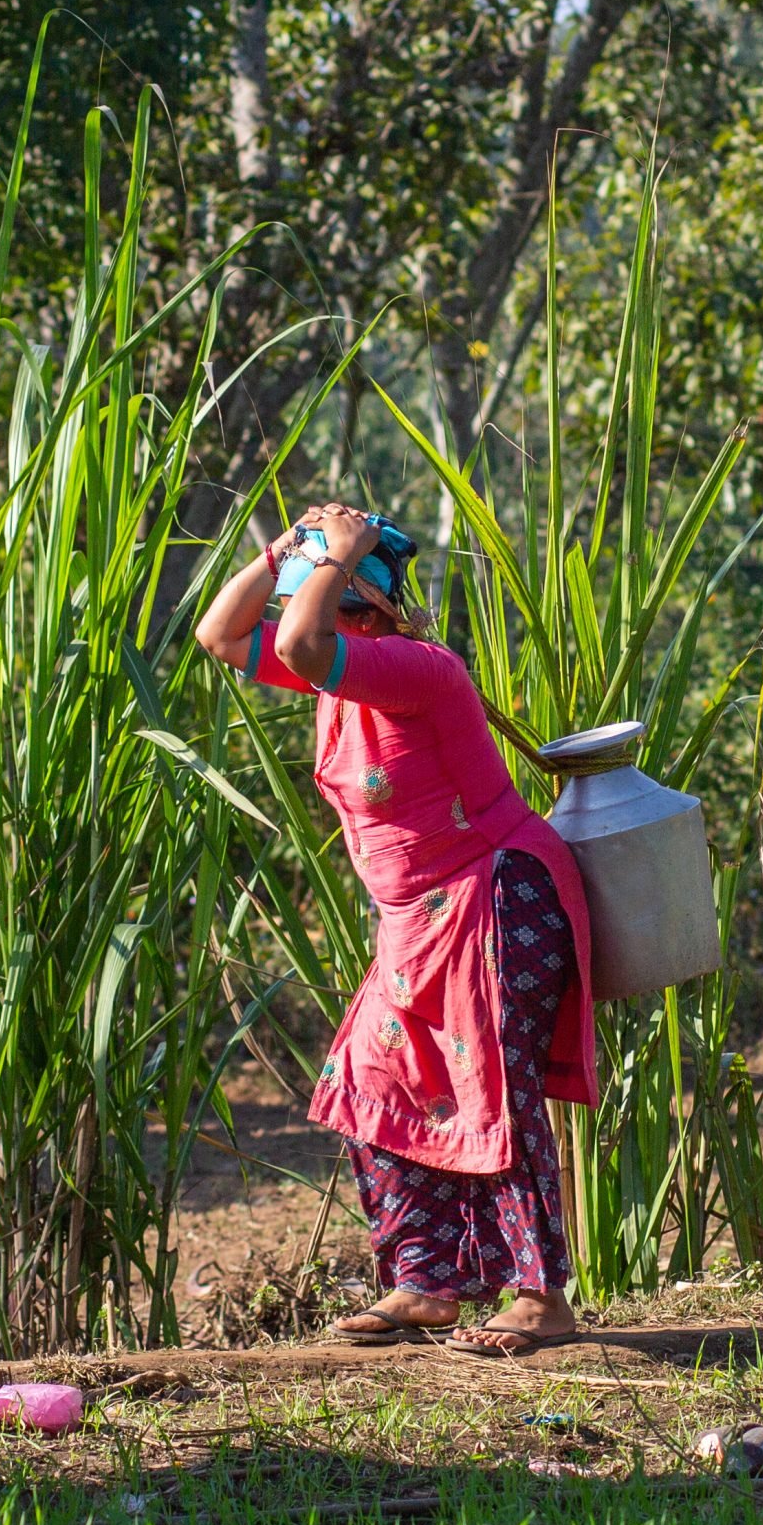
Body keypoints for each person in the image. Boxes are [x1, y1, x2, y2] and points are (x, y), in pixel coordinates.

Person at [193, 504, 598, 1356]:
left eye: (320, 599)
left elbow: (300, 643)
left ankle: (540, 1295)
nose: (295, 620)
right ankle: (426, 1281)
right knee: (371, 1080)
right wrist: (284, 551)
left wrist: (340, 553)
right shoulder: (337, 678)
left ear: (366, 616)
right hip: (417, 923)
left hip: (496, 898)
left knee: (496, 1091)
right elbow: (219, 634)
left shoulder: (419, 669)